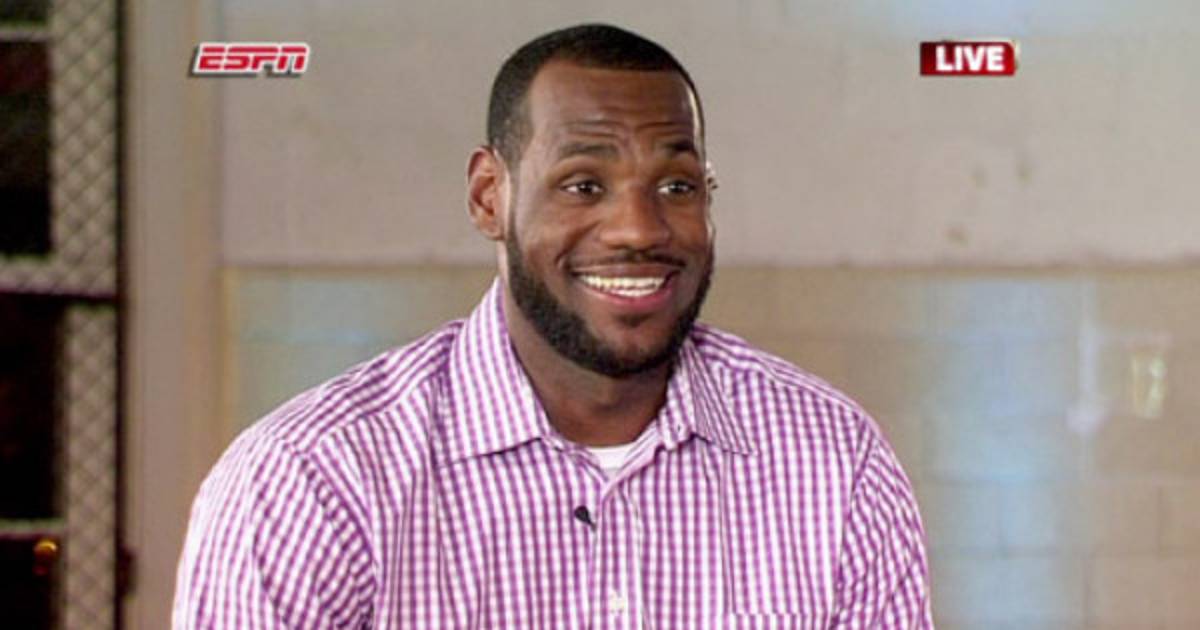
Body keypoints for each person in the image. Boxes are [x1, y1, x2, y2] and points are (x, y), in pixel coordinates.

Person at [173, 23, 932, 629]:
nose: (638, 229)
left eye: (676, 185)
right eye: (583, 184)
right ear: (489, 197)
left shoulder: (835, 463)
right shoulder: (310, 479)